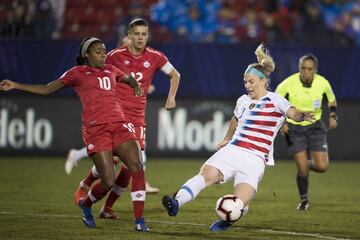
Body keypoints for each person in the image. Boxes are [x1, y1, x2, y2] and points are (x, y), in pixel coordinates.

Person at [0, 37, 150, 232]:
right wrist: (15, 85)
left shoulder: (111, 70)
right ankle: (86, 205)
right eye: (98, 51)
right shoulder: (77, 73)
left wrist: (135, 85)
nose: (103, 53)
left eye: (104, 50)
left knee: (136, 166)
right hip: (96, 129)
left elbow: (127, 77)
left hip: (120, 125)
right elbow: (47, 89)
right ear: (86, 54)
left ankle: (139, 221)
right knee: (108, 182)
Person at [161, 44, 315, 232]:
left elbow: (292, 113)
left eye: (251, 82)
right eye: (245, 82)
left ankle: (228, 220)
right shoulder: (242, 100)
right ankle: (176, 202)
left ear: (263, 81)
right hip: (233, 150)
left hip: (255, 159)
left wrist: (301, 116)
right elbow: (235, 119)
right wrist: (226, 138)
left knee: (240, 201)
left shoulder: (275, 100)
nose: (247, 86)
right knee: (206, 175)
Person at [69, 18, 180, 218]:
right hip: (117, 114)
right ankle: (85, 185)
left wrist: (171, 96)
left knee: (130, 168)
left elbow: (175, 75)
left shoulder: (155, 56)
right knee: (117, 159)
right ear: (129, 35)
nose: (140, 38)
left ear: (148, 36)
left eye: (144, 34)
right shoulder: (114, 56)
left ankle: (107, 207)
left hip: (138, 117)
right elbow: (96, 73)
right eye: (136, 34)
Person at [275, 54, 338, 211]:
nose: (305, 72)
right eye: (303, 68)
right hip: (294, 129)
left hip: (315, 127)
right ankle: (304, 200)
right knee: (302, 169)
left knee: (322, 167)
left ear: (315, 70)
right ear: (299, 68)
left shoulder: (323, 83)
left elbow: (332, 100)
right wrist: (282, 123)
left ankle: (305, 163)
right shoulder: (288, 84)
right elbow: (275, 103)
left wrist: (332, 115)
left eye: (309, 69)